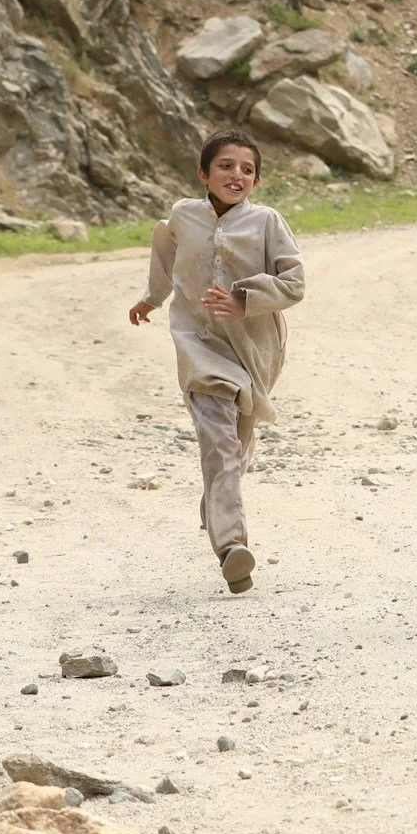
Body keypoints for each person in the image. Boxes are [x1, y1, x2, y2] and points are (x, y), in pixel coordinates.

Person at [128, 131, 306, 595]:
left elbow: (295, 282)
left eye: (247, 169)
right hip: (197, 341)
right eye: (226, 166)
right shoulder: (183, 215)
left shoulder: (268, 222)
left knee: (235, 443)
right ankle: (232, 548)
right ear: (203, 174)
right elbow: (166, 253)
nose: (237, 175)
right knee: (219, 437)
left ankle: (216, 507)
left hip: (253, 348)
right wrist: (151, 298)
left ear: (257, 180)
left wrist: (244, 300)